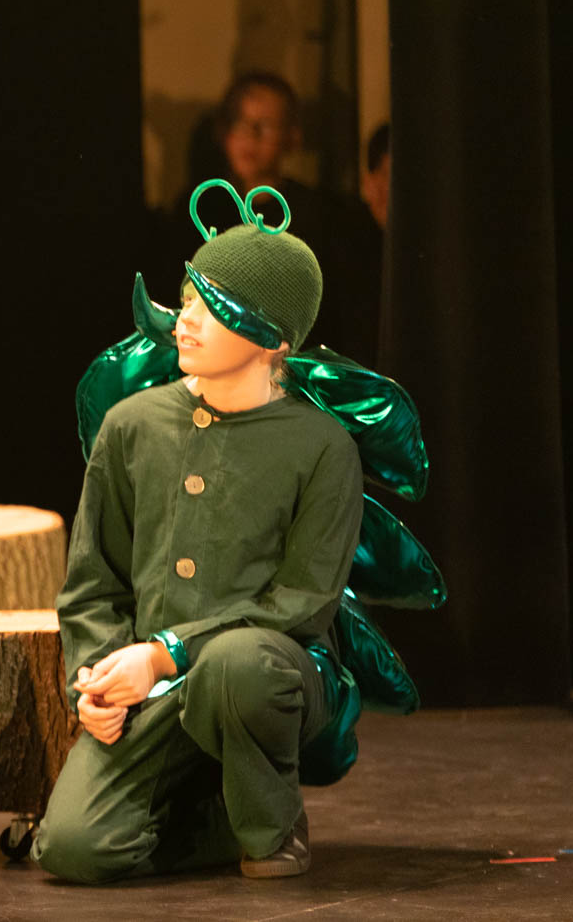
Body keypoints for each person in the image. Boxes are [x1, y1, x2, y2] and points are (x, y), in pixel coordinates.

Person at [37, 186, 366, 883]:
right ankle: (217, 812)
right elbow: (94, 582)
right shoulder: (132, 426)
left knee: (236, 664)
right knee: (73, 850)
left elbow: (302, 604)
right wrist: (93, 679)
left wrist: (166, 654)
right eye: (187, 299)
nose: (185, 320)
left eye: (211, 309)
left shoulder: (321, 447)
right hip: (154, 689)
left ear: (272, 340)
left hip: (267, 677)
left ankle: (272, 828)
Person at [160, 72, 381, 362]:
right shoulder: (201, 208)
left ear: (292, 137)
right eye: (240, 122)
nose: (250, 136)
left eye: (265, 125)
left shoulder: (320, 214)